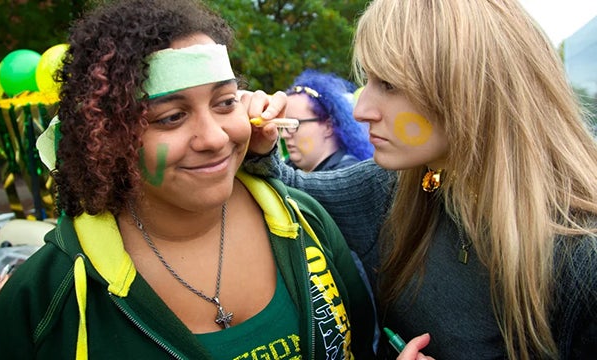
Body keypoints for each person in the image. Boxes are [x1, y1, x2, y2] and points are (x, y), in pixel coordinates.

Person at [0, 0, 377, 358]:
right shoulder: (47, 295)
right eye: (171, 117)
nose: (214, 138)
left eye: (225, 102)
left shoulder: (302, 220)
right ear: (109, 138)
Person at [244, 0, 597, 359]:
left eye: (390, 84)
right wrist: (254, 140)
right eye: (369, 80)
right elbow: (287, 189)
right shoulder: (395, 188)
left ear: (471, 88)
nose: (361, 110)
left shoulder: (583, 253)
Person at [282, 69, 373, 172]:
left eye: (293, 124)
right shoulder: (288, 168)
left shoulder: (348, 175)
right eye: (283, 126)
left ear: (328, 127)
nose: (284, 134)